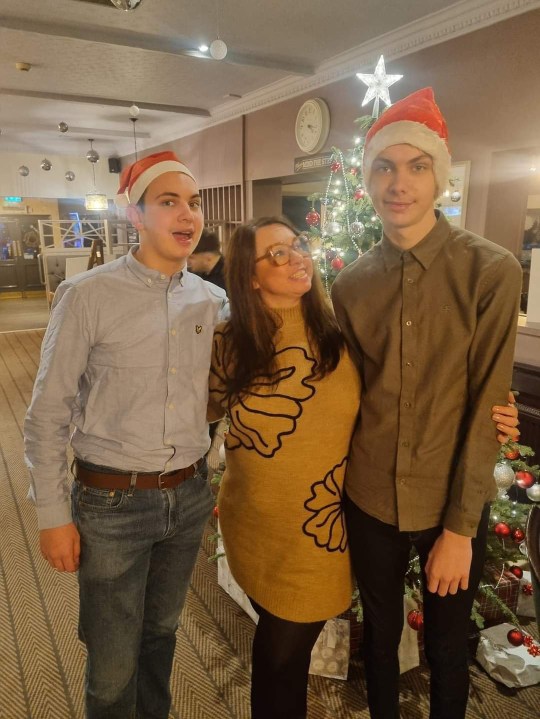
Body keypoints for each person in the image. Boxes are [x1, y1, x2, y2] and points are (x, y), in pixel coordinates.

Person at [207, 216, 519, 719]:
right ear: (249, 276)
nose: (298, 257)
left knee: (285, 646)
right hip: (257, 521)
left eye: (297, 244)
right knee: (279, 651)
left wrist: (493, 414)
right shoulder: (229, 338)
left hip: (318, 526)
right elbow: (191, 411)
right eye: (277, 254)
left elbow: (405, 388)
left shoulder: (336, 331)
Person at [331, 88, 523, 719]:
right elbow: (346, 395)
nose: (399, 182)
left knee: (445, 643)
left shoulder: (490, 272)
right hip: (368, 496)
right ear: (369, 179)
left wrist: (462, 530)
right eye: (385, 166)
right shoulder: (352, 285)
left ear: (439, 176)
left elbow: (488, 397)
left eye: (417, 166)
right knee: (380, 640)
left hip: (448, 497)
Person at [24, 151, 227, 719]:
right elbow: (46, 414)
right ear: (134, 216)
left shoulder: (212, 302)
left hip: (187, 497)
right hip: (111, 502)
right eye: (168, 202)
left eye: (193, 203)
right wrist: (52, 515)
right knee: (112, 670)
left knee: (161, 640)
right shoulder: (87, 296)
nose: (187, 215)